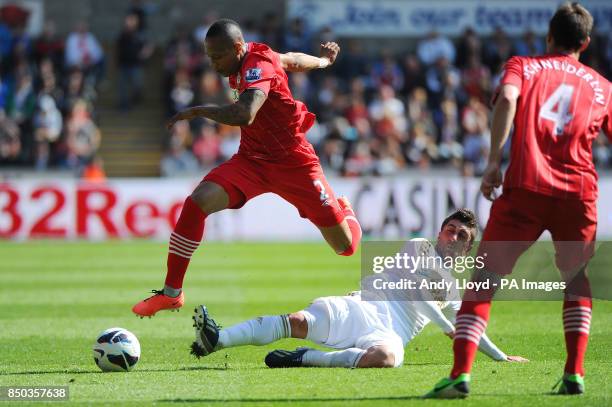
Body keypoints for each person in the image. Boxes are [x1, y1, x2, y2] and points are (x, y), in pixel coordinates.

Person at [425, 3, 611, 398]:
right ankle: (575, 374)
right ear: (586, 43)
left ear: (548, 38)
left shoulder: (523, 65)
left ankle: (460, 375)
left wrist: (494, 160)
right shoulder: (602, 86)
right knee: (576, 280)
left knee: (484, 282)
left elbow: (507, 99)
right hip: (579, 193)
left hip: (526, 187)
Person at [132, 19, 361, 317]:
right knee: (197, 201)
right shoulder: (258, 55)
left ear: (238, 49)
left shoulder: (257, 64)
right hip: (252, 160)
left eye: (217, 57)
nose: (213, 64)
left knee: (345, 247)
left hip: (294, 163)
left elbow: (245, 113)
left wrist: (199, 111)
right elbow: (290, 59)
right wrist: (322, 60)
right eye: (209, 56)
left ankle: (346, 211)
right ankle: (172, 293)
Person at [189, 209, 528, 369]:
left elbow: (469, 328)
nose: (451, 237)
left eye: (461, 236)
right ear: (439, 232)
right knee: (297, 321)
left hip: (390, 332)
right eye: (449, 229)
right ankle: (219, 339)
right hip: (361, 306)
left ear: (468, 248)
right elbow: (416, 295)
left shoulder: (453, 289)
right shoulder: (419, 246)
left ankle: (306, 359)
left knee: (387, 359)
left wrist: (500, 356)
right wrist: (445, 326)